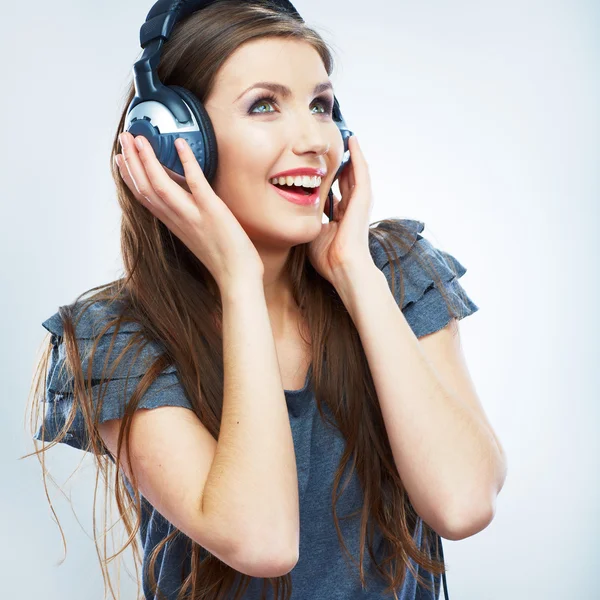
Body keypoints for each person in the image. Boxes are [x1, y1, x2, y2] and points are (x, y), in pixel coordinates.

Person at [27, 1, 507, 599]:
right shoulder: (121, 336)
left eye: (321, 106)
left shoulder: (394, 271)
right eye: (264, 105)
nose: (313, 139)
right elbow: (263, 541)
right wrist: (239, 280)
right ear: (176, 138)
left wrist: (356, 271)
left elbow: (462, 504)